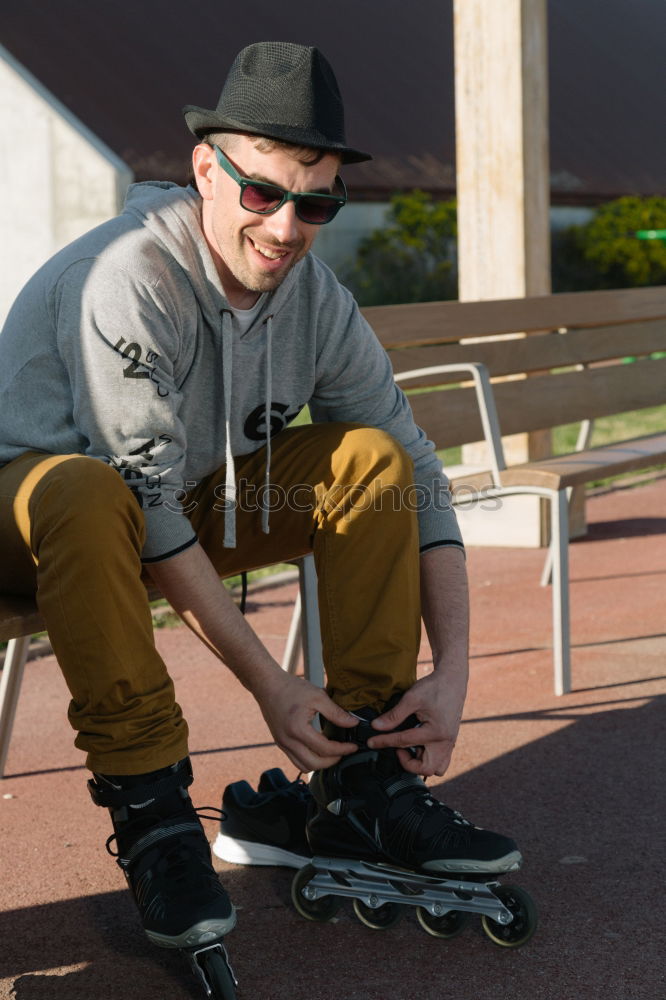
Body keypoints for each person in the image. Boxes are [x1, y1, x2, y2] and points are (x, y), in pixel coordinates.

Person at [0, 42, 519, 953]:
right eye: (263, 193)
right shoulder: (127, 277)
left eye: (315, 202)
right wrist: (274, 688)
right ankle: (156, 810)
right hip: (30, 519)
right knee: (87, 494)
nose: (286, 228)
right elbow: (143, 505)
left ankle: (367, 777)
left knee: (369, 462)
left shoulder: (314, 296)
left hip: (178, 504)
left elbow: (417, 473)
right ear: (207, 167)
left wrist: (456, 671)